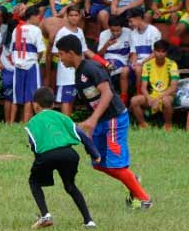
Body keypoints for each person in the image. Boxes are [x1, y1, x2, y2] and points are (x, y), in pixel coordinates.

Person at [56, 35, 153, 210]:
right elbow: (93, 100)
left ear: (71, 53)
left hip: (114, 119)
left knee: (116, 164)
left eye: (61, 54)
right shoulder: (79, 72)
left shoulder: (91, 68)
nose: (60, 58)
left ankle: (144, 199)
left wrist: (92, 120)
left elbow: (107, 93)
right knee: (98, 163)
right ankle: (132, 181)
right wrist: (90, 122)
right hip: (101, 121)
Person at [25, 87, 98, 230]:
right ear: (53, 104)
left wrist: (40, 162)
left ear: (35, 105)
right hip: (69, 155)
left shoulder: (33, 122)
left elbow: (34, 144)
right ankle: (89, 221)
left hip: (46, 155)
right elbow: (81, 134)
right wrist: (94, 153)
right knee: (70, 185)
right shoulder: (63, 117)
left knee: (34, 181)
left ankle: (45, 215)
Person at [131, 40, 179, 130]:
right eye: (158, 51)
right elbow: (143, 87)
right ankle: (143, 125)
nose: (160, 54)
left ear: (166, 53)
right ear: (154, 51)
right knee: (134, 100)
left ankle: (168, 126)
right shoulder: (147, 65)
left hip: (167, 95)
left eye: (163, 51)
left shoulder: (172, 64)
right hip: (153, 95)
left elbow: (173, 87)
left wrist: (158, 99)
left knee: (165, 100)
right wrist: (149, 98)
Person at [9, 6, 47, 122]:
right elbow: (41, 51)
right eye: (38, 17)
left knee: (16, 97)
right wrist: (38, 60)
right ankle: (26, 123)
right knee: (30, 97)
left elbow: (12, 50)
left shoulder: (17, 29)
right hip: (31, 65)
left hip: (18, 66)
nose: (39, 19)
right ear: (33, 16)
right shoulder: (36, 30)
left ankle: (10, 122)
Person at [49, 6, 85, 116]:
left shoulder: (80, 32)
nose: (74, 18)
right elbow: (55, 51)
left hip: (77, 71)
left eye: (76, 15)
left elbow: (83, 52)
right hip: (65, 72)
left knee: (72, 97)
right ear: (67, 17)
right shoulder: (62, 32)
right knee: (66, 99)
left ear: (79, 17)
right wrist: (69, 57)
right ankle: (66, 122)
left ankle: (69, 123)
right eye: (71, 15)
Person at [96, 14, 134, 103]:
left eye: (118, 30)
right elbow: (99, 54)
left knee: (108, 69)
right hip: (106, 59)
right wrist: (107, 45)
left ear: (122, 27)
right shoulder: (104, 34)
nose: (115, 33)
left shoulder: (128, 32)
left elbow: (133, 51)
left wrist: (130, 62)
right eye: (112, 30)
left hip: (122, 60)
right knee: (98, 70)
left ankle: (108, 98)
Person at [0, 22, 17, 124]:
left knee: (17, 98)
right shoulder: (3, 34)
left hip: (19, 69)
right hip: (7, 68)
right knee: (8, 97)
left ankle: (13, 121)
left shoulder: (24, 34)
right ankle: (7, 122)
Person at [127, 7, 162, 77]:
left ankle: (139, 88)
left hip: (151, 61)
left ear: (138, 18)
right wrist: (134, 62)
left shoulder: (153, 31)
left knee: (138, 69)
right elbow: (134, 52)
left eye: (131, 21)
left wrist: (141, 62)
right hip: (138, 62)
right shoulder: (133, 33)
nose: (129, 24)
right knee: (124, 71)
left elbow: (155, 53)